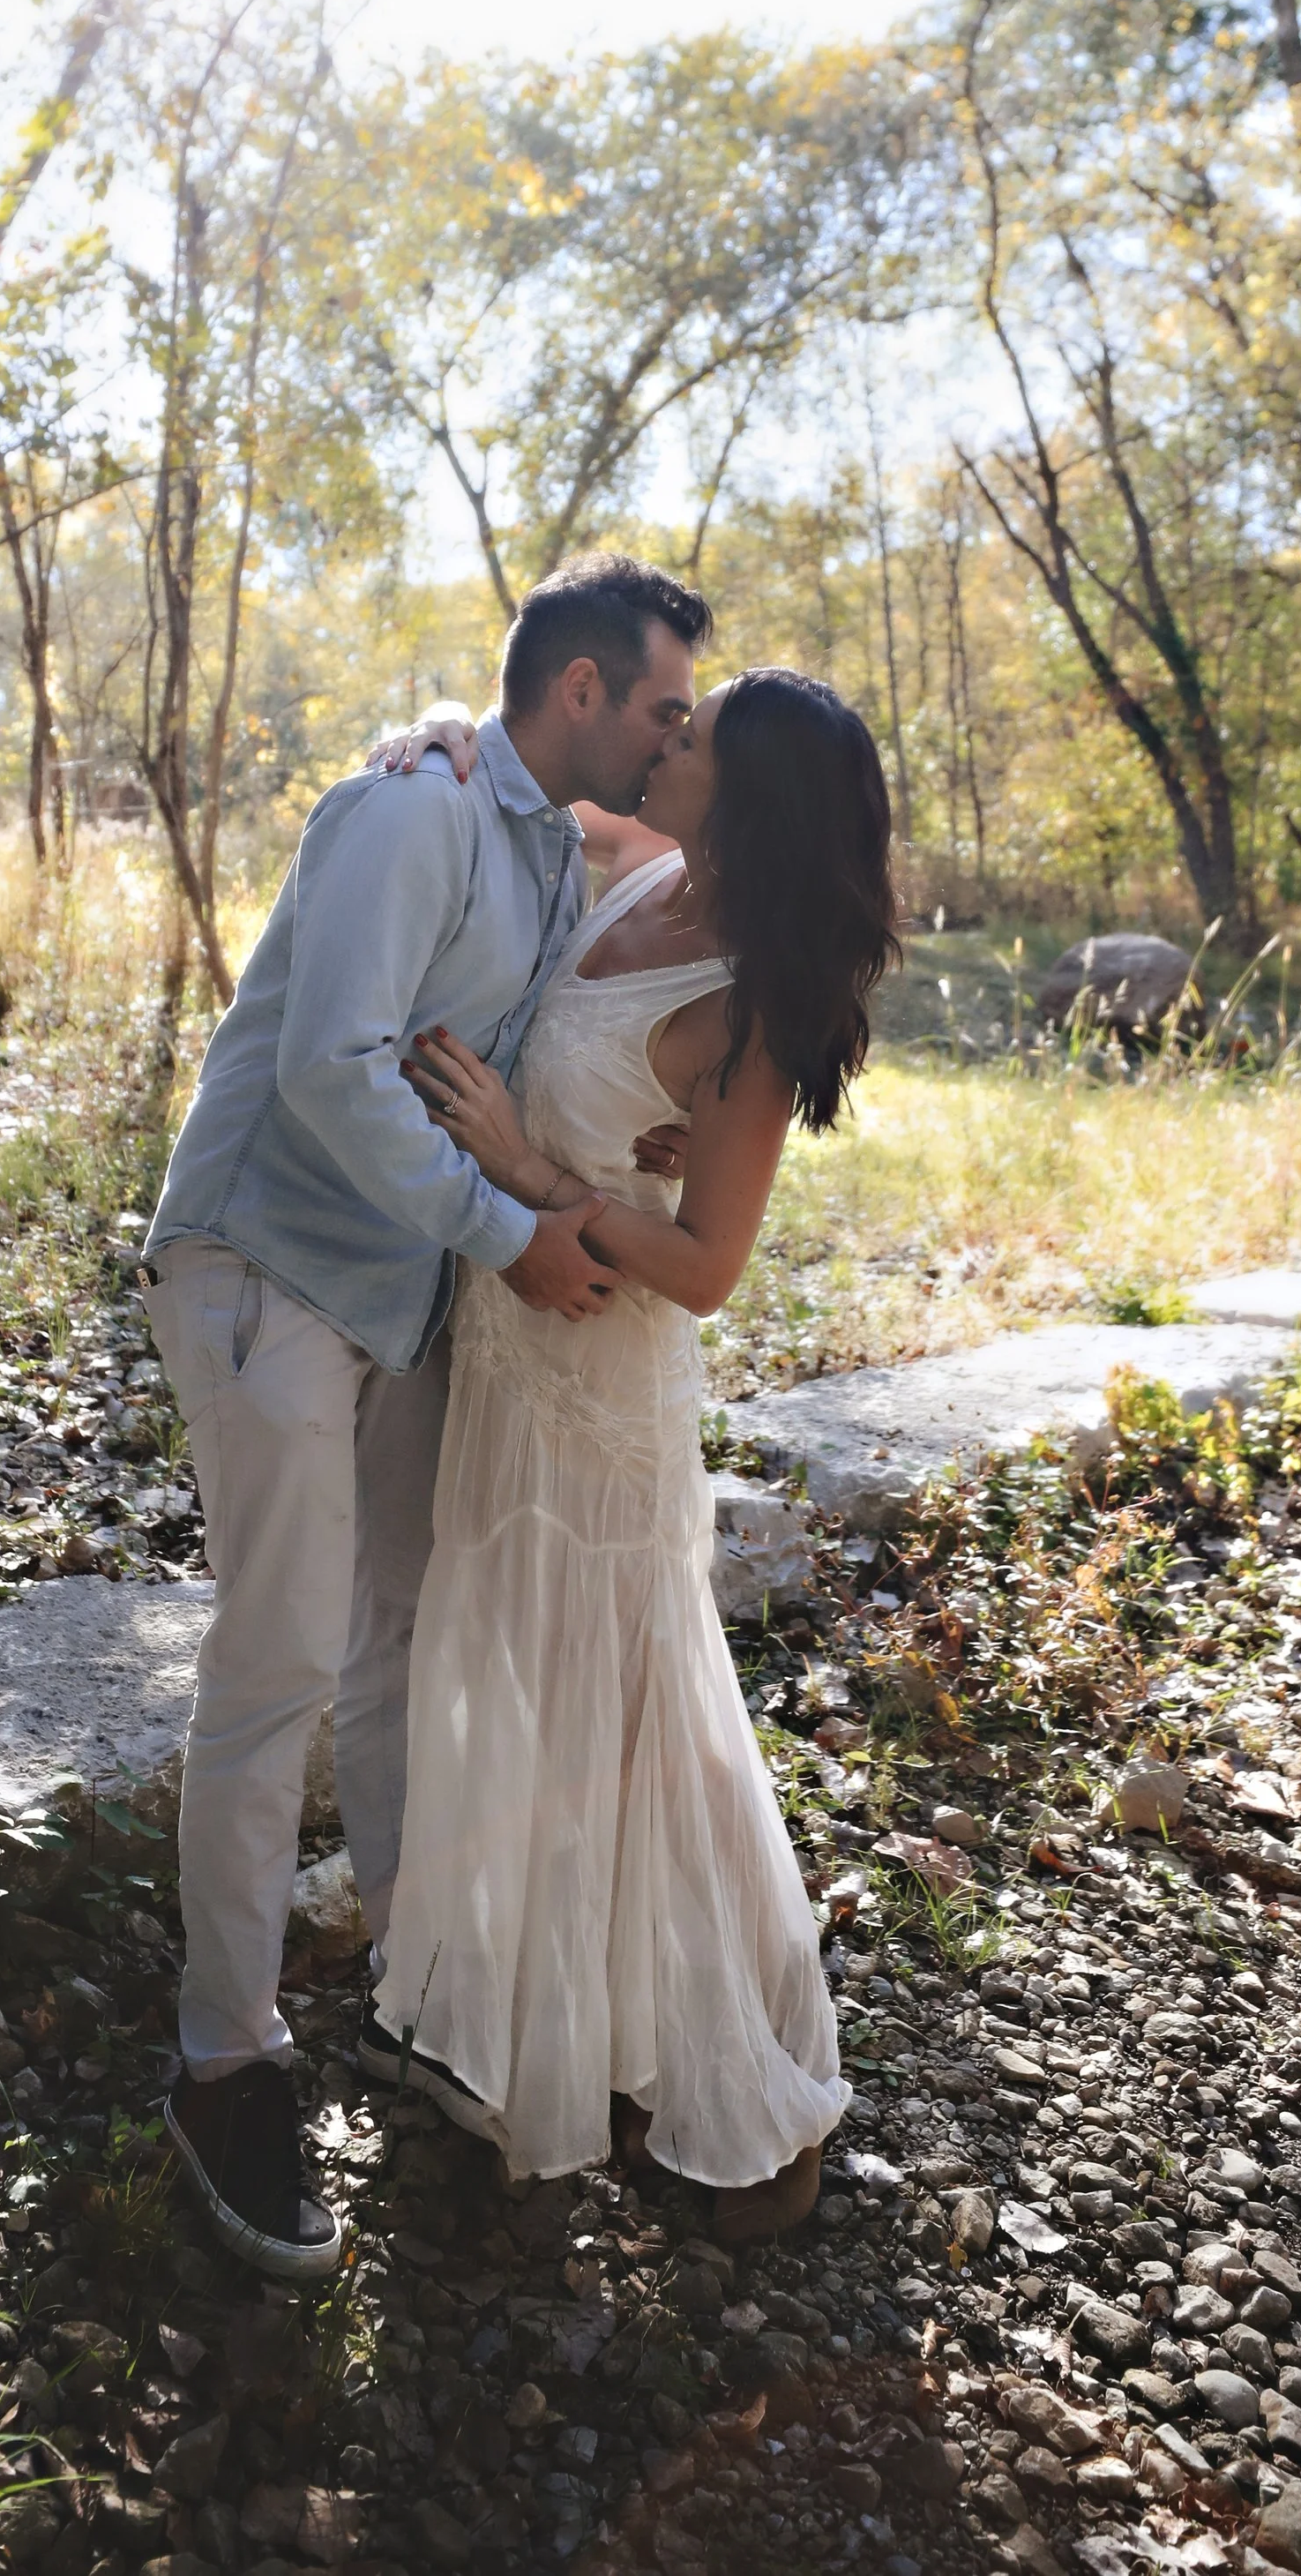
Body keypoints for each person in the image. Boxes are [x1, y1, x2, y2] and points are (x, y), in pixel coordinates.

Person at [138, 552, 714, 2278]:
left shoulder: (540, 835)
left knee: (398, 1641)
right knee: (282, 1661)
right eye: (662, 706)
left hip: (403, 1296)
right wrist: (517, 1235)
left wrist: (629, 1138)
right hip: (268, 1267)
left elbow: (548, 1037)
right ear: (583, 691)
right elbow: (329, 1074)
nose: (673, 736)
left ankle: (412, 1995)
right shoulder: (410, 817)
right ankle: (219, 2057)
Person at [377, 668, 898, 2240]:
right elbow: (511, 763)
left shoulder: (748, 1006)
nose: (664, 743)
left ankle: (736, 2067)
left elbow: (708, 1269)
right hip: (510, 1345)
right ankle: (554, 2027)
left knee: (636, 1710)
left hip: (603, 1377)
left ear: (746, 805)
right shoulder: (646, 861)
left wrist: (539, 1170)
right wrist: (438, 732)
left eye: (696, 741)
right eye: (673, 724)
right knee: (522, 1686)